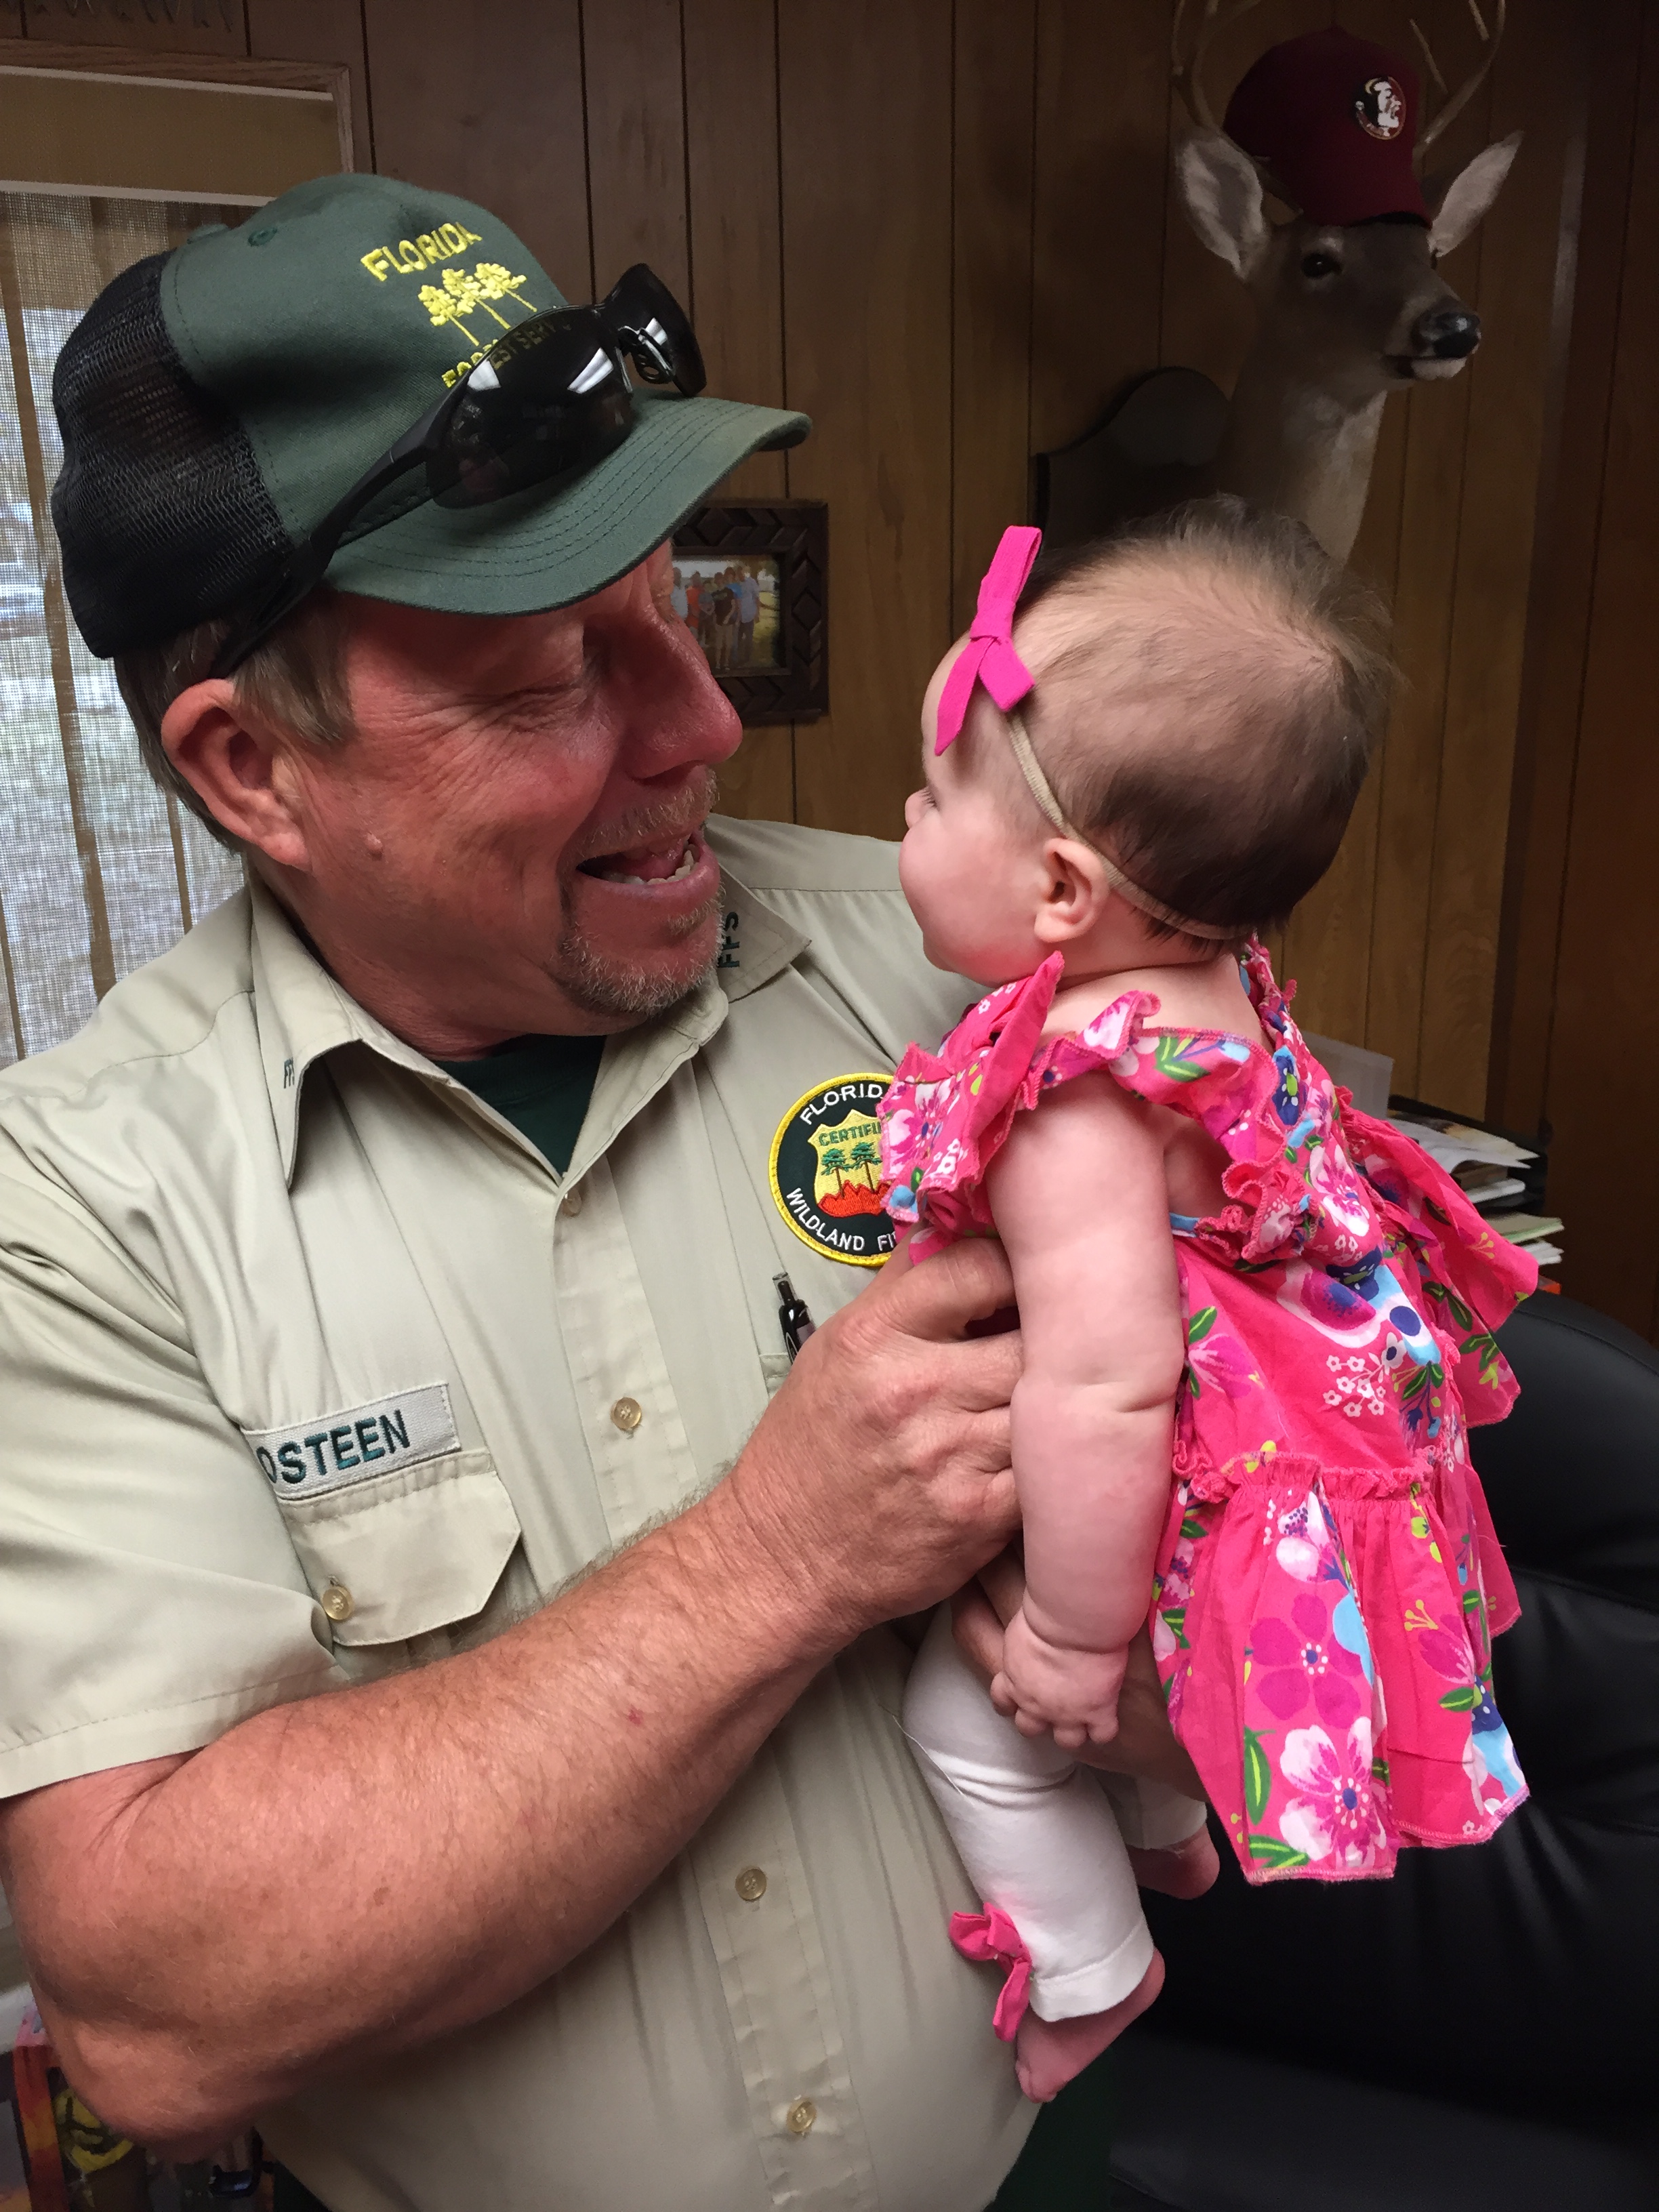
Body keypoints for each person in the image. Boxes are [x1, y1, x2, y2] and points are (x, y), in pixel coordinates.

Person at [0, 174, 1203, 2212]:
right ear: (249, 768)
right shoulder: (80, 1205)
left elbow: (1311, 1517)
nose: (708, 723)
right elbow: (157, 2011)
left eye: (673, 602)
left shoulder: (969, 979)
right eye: (548, 677)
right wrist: (781, 1553)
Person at [880, 511, 1536, 2102]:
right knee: (1147, 1659)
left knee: (965, 1720)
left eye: (930, 794)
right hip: (1322, 1442)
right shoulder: (1221, 990)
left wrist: (1064, 1637)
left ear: (1059, 889)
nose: (899, 816)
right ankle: (1169, 1826)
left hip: (1183, 1493)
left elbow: (1103, 1386)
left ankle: (1093, 1967)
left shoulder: (1075, 1101)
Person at [734, 563, 762, 665]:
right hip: (740, 616)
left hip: (749, 614)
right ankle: (738, 658)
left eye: (741, 573)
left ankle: (747, 659)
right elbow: (737, 602)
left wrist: (757, 613)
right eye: (738, 574)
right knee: (738, 638)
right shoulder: (737, 586)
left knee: (749, 638)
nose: (740, 575)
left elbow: (757, 598)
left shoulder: (751, 582)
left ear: (744, 572)